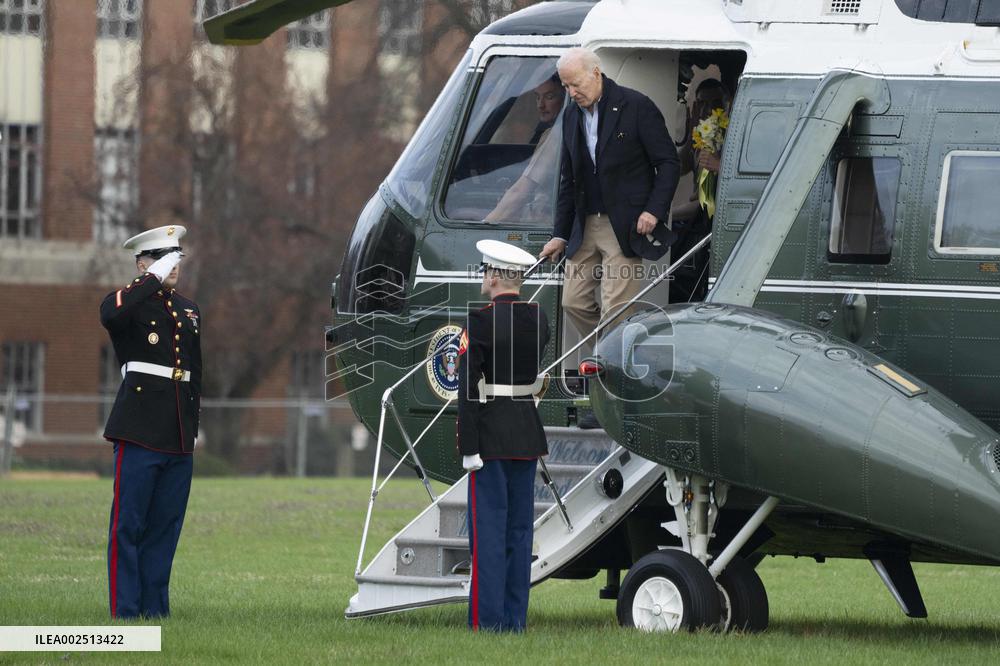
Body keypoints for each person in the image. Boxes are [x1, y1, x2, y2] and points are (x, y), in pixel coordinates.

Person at [539, 46, 680, 341]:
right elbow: (570, 179)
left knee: (616, 309)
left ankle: (607, 369)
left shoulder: (637, 105)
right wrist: (559, 234)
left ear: (595, 73)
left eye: (575, 84)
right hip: (584, 224)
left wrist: (653, 210)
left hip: (624, 225)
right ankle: (611, 358)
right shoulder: (570, 117)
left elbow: (668, 163)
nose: (571, 92)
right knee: (572, 302)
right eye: (565, 86)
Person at [100, 224, 202, 619]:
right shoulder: (128, 303)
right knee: (129, 526)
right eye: (162, 257)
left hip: (177, 433)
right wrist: (151, 278)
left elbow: (196, 372)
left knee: (165, 528)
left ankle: (155, 610)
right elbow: (112, 315)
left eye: (176, 256)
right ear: (143, 264)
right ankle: (126, 612)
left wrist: (192, 429)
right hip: (138, 430)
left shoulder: (189, 310)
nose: (172, 264)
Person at [458, 239, 550, 633]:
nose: (482, 277)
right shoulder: (539, 318)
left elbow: (466, 389)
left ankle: (488, 622)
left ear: (495, 276)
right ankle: (514, 621)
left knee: (489, 535)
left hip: (491, 440)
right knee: (519, 533)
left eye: (485, 270)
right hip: (526, 435)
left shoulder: (478, 322)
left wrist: (469, 448)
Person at [670, 78, 732, 303]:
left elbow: (705, 203)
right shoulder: (703, 134)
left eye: (715, 103)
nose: (709, 110)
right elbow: (678, 167)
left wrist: (719, 166)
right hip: (695, 218)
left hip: (710, 219)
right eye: (702, 104)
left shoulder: (730, 136)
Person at [485, 74, 565, 223]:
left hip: (541, 219)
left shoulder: (556, 135)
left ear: (564, 99)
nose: (540, 105)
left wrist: (486, 224)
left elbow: (521, 191)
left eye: (549, 97)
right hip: (542, 213)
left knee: (460, 213)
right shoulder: (556, 131)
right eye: (537, 97)